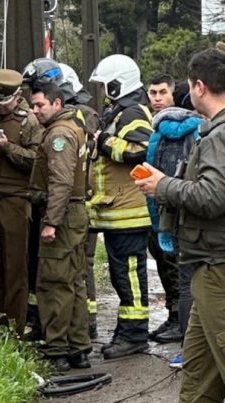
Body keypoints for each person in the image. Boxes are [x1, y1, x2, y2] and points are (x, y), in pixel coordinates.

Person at [134, 48, 225, 402]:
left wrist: (163, 186)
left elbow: (214, 196)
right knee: (198, 383)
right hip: (208, 266)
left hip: (218, 268)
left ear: (198, 86)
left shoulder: (218, 136)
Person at [88, 54, 153, 359]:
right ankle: (126, 331)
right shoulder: (119, 112)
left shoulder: (132, 113)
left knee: (129, 276)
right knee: (121, 276)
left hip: (129, 212)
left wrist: (105, 143)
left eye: (105, 85)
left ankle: (135, 334)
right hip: (117, 211)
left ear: (118, 83)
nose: (103, 91)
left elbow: (142, 149)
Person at [29, 83, 91, 372]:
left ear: (56, 103)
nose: (35, 110)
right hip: (73, 213)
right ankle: (78, 349)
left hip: (63, 215)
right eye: (33, 105)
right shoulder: (71, 127)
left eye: (40, 105)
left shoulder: (59, 134)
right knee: (73, 282)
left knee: (54, 283)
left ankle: (57, 350)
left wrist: (51, 222)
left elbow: (61, 181)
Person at [0, 69, 44, 336]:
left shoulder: (29, 121)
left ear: (17, 95)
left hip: (16, 201)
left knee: (14, 268)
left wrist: (7, 147)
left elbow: (36, 161)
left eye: (5, 102)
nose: (0, 108)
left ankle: (15, 326)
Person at [59, 62, 101, 339]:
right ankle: (85, 322)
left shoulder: (81, 117)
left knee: (81, 263)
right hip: (83, 200)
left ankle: (86, 322)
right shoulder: (85, 114)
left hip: (81, 201)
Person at [144, 75, 185, 345]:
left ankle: (179, 319)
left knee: (175, 267)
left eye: (162, 93)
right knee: (164, 265)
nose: (157, 98)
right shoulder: (155, 125)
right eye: (153, 93)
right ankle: (173, 315)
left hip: (172, 205)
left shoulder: (178, 128)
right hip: (155, 207)